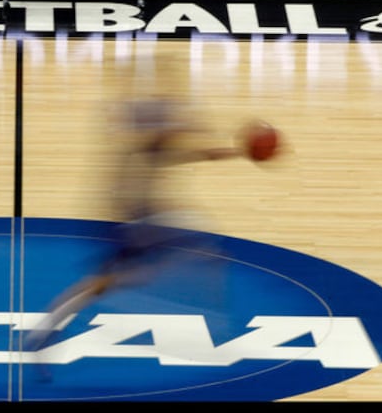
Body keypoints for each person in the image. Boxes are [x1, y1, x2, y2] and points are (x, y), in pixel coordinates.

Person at [23, 97, 250, 381]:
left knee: (109, 282)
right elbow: (181, 144)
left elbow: (204, 153)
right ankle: (212, 317)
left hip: (143, 219)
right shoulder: (148, 147)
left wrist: (240, 150)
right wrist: (194, 128)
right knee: (113, 280)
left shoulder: (151, 146)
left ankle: (44, 330)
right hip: (137, 223)